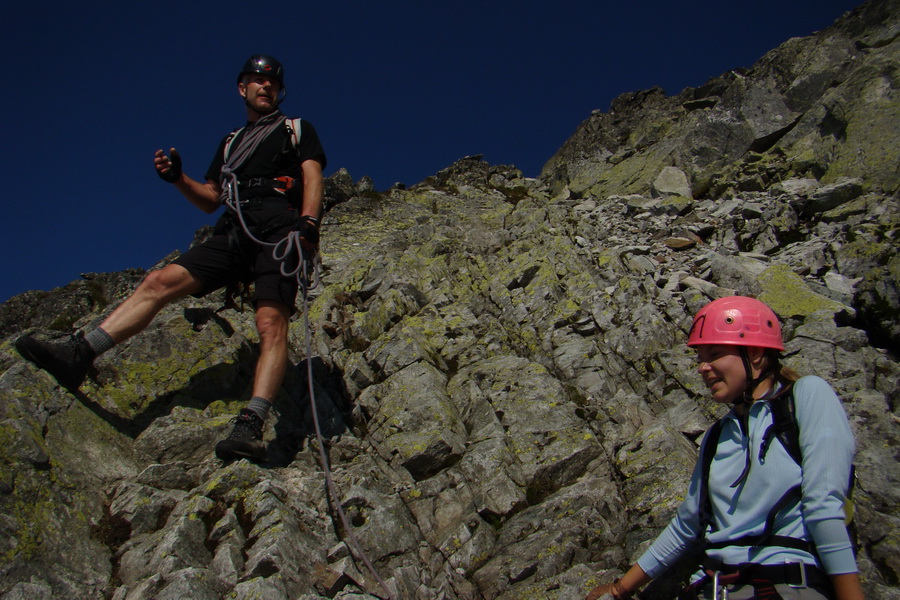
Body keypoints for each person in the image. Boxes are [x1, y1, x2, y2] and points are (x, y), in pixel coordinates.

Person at [15, 54, 327, 464]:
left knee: (271, 321)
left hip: (279, 227)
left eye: (271, 83)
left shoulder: (296, 129)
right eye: (257, 80)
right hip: (235, 228)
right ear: (242, 88)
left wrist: (308, 224)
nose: (265, 87)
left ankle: (251, 424)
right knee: (158, 282)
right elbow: (210, 200)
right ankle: (80, 353)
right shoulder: (231, 142)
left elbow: (312, 174)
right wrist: (178, 178)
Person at [585, 296, 864, 600]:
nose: (703, 368)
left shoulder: (806, 396)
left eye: (715, 354)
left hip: (784, 583)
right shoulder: (718, 435)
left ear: (755, 354)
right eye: (699, 358)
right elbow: (687, 525)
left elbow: (824, 506)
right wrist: (619, 589)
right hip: (710, 587)